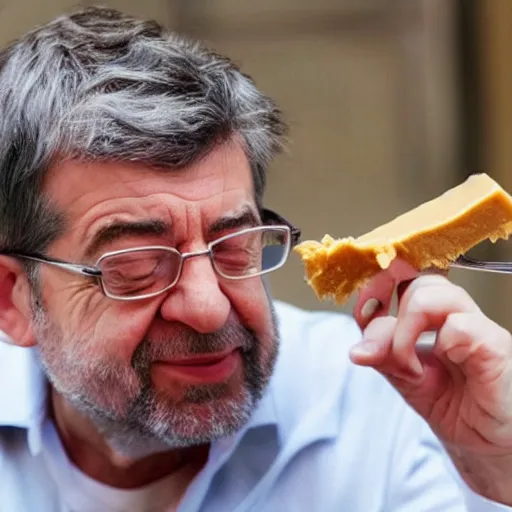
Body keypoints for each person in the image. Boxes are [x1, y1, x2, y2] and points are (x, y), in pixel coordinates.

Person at [0, 6, 511, 512]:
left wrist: (499, 467)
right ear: (13, 299)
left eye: (234, 246)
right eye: (135, 266)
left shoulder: (391, 406)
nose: (208, 308)